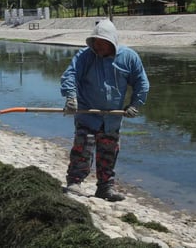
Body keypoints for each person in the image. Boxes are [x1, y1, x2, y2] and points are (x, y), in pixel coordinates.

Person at [60, 18, 150, 202]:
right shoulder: (85, 56)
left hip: (112, 119)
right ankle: (75, 182)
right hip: (87, 114)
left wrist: (135, 104)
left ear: (112, 42)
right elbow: (70, 75)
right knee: (82, 149)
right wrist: (71, 97)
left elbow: (142, 83)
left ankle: (105, 188)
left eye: (102, 43)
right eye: (95, 43)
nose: (98, 47)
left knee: (109, 152)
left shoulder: (129, 57)